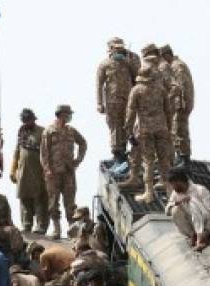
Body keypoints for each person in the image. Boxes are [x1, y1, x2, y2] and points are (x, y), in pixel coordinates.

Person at [124, 66, 173, 204]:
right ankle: (170, 192)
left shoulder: (136, 90)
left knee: (148, 161)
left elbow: (131, 113)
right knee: (165, 160)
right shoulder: (161, 89)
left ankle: (149, 193)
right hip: (162, 128)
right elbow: (168, 111)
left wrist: (129, 131)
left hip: (145, 130)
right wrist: (168, 129)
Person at [40, 104, 87, 239]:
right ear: (61, 114)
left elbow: (83, 143)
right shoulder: (48, 131)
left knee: (70, 202)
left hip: (68, 172)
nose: (69, 116)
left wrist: (78, 159)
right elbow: (44, 152)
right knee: (53, 202)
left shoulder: (71, 130)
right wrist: (47, 169)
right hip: (53, 173)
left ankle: (72, 230)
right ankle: (56, 229)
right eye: (67, 114)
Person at [9, 108, 49, 235]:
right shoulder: (21, 132)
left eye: (29, 120)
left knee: (40, 199)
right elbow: (17, 151)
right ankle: (26, 225)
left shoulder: (42, 132)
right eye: (25, 120)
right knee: (24, 198)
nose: (27, 122)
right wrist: (13, 169)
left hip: (38, 170)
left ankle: (41, 226)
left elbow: (47, 152)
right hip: (23, 171)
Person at [96, 40, 136, 167]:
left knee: (128, 126)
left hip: (129, 100)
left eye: (121, 50)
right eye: (116, 50)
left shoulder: (128, 62)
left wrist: (130, 60)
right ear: (111, 50)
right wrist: (99, 103)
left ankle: (126, 151)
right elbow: (99, 85)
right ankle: (118, 153)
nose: (119, 52)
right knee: (115, 127)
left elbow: (137, 78)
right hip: (112, 101)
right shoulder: (105, 64)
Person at [165, 167, 210, 251]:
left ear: (179, 181)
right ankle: (192, 235)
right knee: (175, 209)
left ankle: (200, 239)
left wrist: (203, 232)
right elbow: (167, 212)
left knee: (192, 202)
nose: (172, 187)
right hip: (193, 228)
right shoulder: (175, 194)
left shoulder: (200, 190)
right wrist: (177, 202)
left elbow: (209, 214)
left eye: (173, 184)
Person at [159, 45, 194, 165]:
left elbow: (181, 85)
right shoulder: (176, 65)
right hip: (180, 103)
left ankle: (183, 157)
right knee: (178, 130)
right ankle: (181, 156)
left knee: (179, 130)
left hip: (181, 103)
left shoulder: (177, 66)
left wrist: (179, 102)